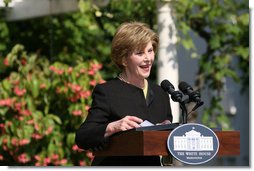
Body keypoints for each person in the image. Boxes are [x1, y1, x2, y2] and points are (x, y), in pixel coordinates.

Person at [75, 21, 173, 166]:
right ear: (124, 59)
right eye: (140, 53)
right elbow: (83, 137)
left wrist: (165, 129)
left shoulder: (160, 93)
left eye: (150, 50)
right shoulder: (108, 92)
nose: (148, 58)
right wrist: (114, 127)